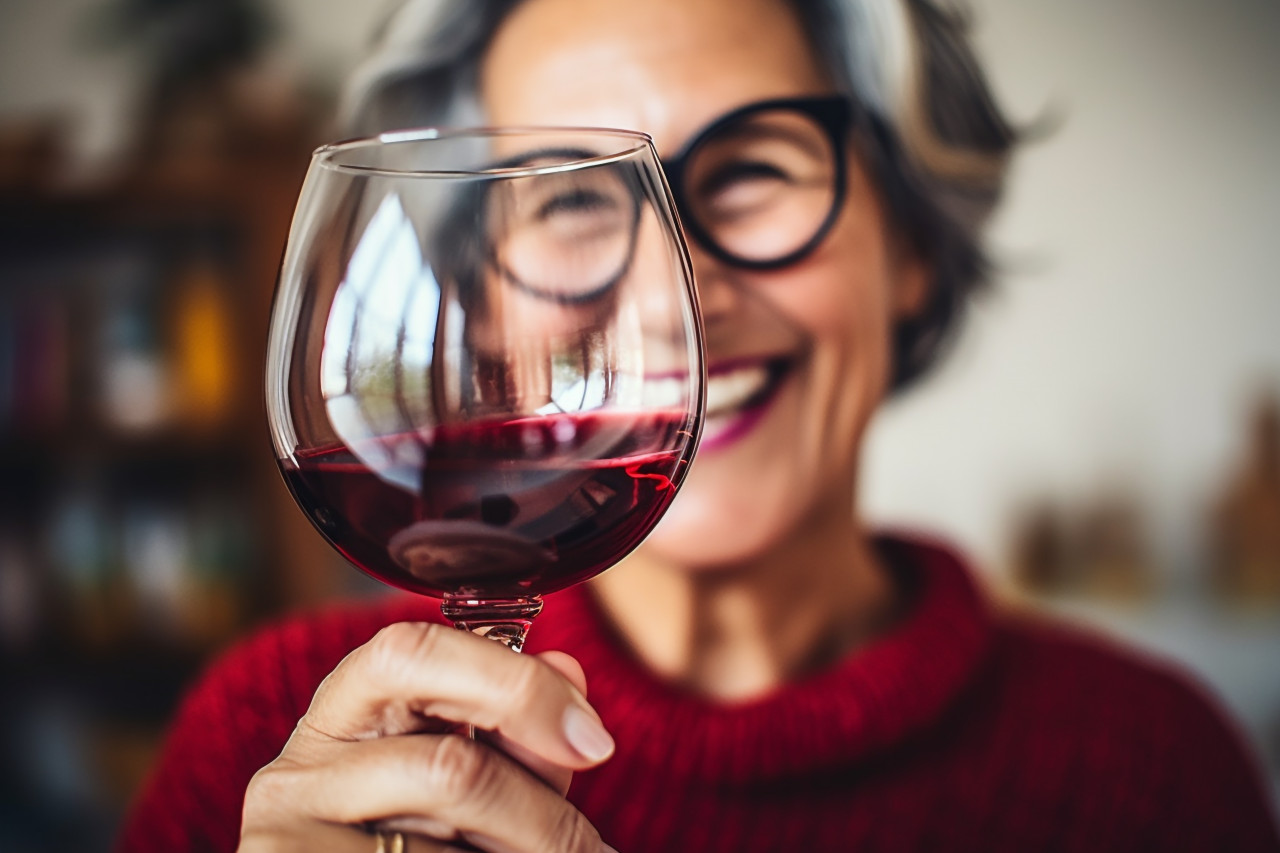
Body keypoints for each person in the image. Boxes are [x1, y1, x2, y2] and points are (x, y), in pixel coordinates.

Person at [117, 1, 1280, 851]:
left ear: (913, 242)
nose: (680, 294)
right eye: (573, 196)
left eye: (753, 170)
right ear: (472, 296)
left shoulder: (1148, 773)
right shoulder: (268, 748)